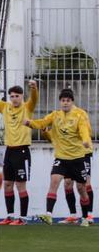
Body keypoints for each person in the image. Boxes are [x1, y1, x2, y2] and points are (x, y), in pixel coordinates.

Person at [27, 89, 93, 224]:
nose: (65, 103)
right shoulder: (55, 115)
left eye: (68, 100)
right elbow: (42, 123)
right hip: (61, 158)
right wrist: (30, 123)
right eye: (63, 100)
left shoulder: (80, 115)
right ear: (60, 102)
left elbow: (84, 130)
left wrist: (86, 140)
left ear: (72, 102)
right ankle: (49, 214)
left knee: (81, 188)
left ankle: (86, 217)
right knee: (54, 181)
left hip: (77, 158)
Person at [0, 80, 38, 224]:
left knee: (20, 185)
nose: (14, 99)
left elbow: (34, 98)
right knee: (7, 184)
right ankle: (10, 215)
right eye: (12, 96)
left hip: (22, 151)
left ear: (22, 96)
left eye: (17, 96)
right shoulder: (5, 107)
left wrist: (34, 88)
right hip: (9, 151)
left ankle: (23, 217)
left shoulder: (27, 107)